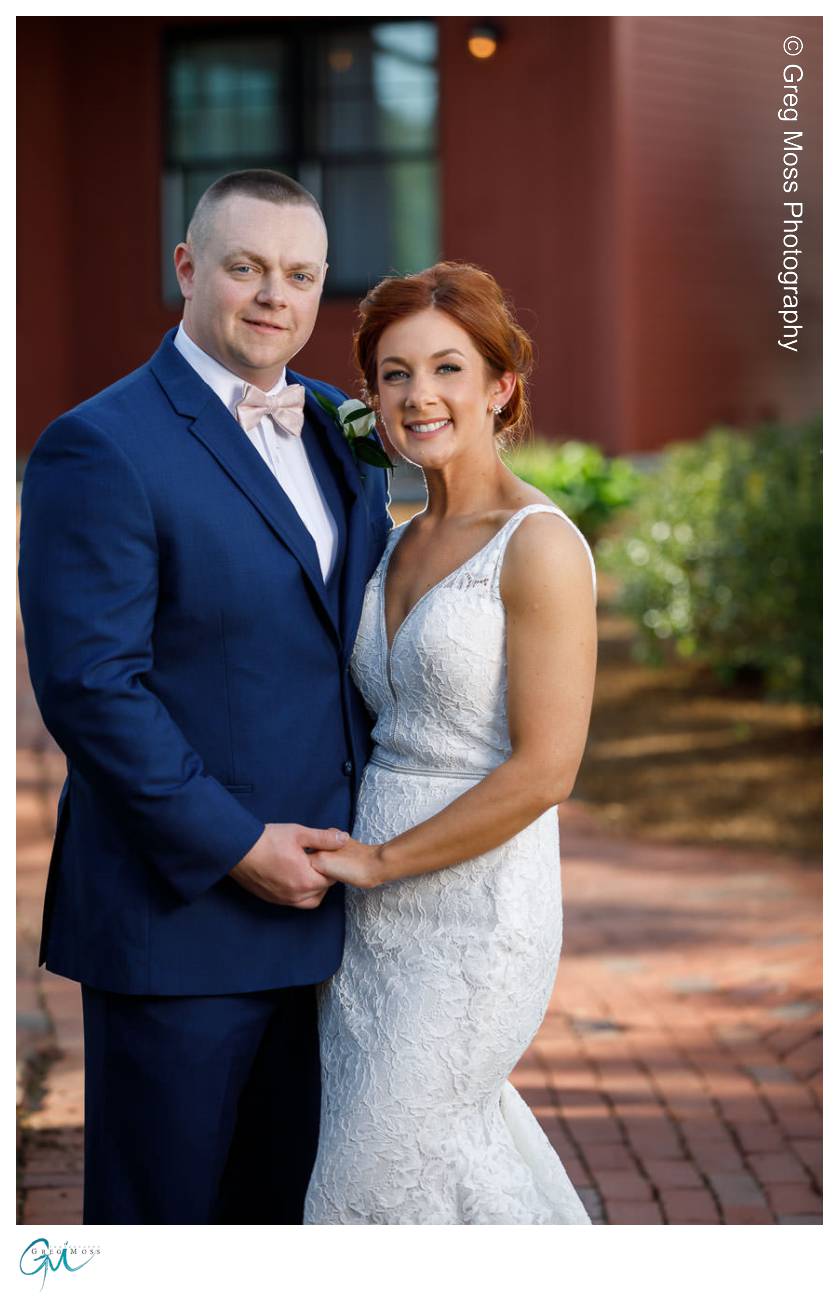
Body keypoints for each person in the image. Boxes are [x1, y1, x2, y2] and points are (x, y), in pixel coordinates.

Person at [17, 170, 391, 1225]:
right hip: (179, 916)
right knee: (164, 1225)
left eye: (300, 274)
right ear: (187, 269)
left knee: (282, 1219)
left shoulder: (335, 424)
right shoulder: (99, 445)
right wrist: (236, 844)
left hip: (333, 913)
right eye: (246, 267)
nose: (274, 294)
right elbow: (91, 688)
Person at [303, 262, 597, 1225]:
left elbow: (547, 769)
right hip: (367, 925)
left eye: (445, 369)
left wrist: (383, 861)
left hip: (476, 916)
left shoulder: (538, 544)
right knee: (442, 1165)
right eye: (392, 374)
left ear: (498, 386)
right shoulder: (390, 537)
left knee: (366, 1179)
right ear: (371, 396)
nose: (418, 395)